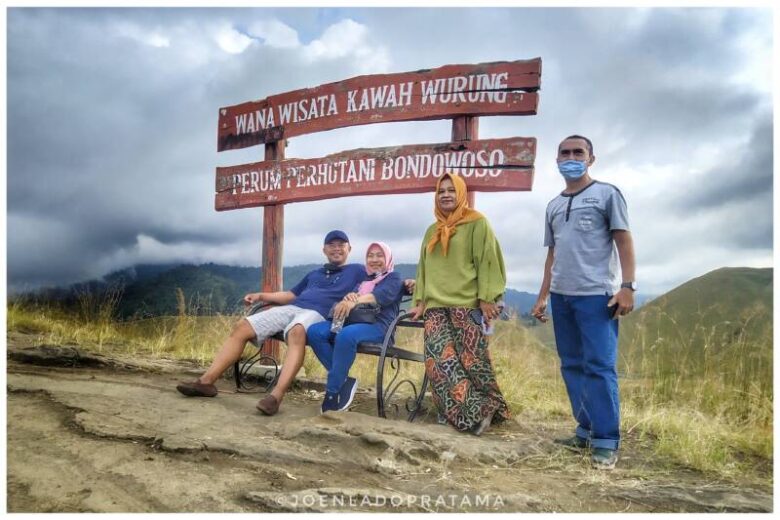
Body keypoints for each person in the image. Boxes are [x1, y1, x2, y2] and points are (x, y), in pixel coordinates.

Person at [175, 230, 366, 416]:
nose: (336, 249)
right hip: (293, 308)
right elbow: (290, 296)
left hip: (319, 315)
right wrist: (261, 295)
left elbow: (377, 283)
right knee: (242, 326)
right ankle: (206, 382)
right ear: (324, 250)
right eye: (331, 245)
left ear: (349, 248)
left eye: (341, 245)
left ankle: (275, 397)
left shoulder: (357, 270)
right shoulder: (314, 274)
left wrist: (354, 299)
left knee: (297, 332)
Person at [531, 135, 636, 470]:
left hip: (597, 297)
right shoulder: (553, 205)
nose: (571, 157)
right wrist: (543, 294)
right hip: (562, 297)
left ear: (591, 159)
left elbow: (623, 239)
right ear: (557, 159)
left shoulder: (607, 194)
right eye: (565, 153)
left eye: (579, 152)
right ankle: (585, 430)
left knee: (599, 367)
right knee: (571, 364)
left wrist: (628, 286)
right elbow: (553, 253)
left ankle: (606, 440)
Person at [409, 172, 510, 435]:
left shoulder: (477, 223)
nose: (445, 195)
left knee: (472, 362)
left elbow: (488, 260)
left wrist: (488, 298)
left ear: (461, 194)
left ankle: (491, 409)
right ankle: (473, 414)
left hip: (467, 305)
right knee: (439, 364)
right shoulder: (431, 231)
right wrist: (419, 301)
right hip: (435, 307)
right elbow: (424, 268)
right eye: (441, 191)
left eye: (451, 190)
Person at [307, 242, 405, 413]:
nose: (374, 259)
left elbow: (380, 296)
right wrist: (350, 296)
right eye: (370, 255)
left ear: (387, 257)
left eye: (379, 255)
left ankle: (332, 392)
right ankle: (344, 380)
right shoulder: (365, 280)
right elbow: (351, 297)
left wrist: (354, 301)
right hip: (352, 322)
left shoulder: (394, 278)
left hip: (379, 327)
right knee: (315, 332)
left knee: (345, 335)